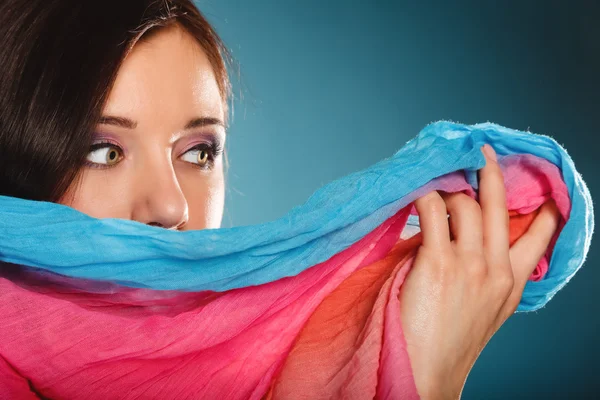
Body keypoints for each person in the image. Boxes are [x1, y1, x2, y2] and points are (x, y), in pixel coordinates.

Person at [0, 0, 561, 398]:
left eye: (197, 153)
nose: (170, 208)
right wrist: (429, 380)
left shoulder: (257, 363)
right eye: (103, 152)